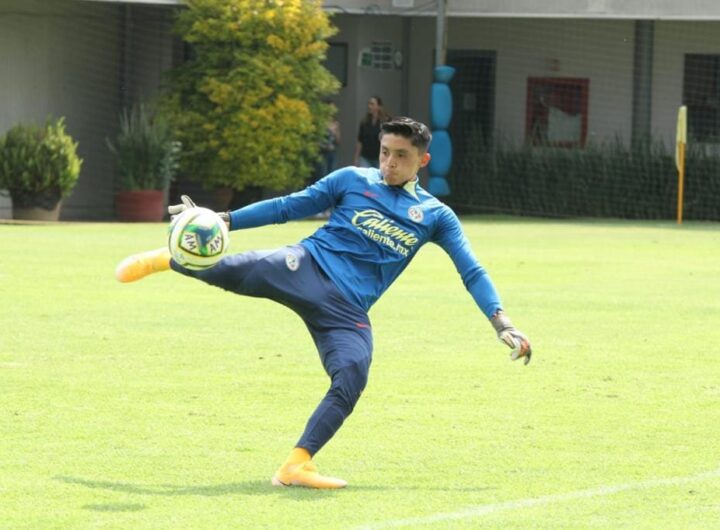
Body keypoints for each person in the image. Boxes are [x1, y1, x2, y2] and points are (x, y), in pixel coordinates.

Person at [115, 117, 532, 490]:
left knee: (353, 373)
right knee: (232, 270)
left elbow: (472, 271)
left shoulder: (437, 216)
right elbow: (287, 207)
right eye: (385, 152)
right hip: (306, 266)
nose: (389, 163)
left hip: (347, 311)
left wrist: (503, 323)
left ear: (422, 161)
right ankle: (166, 260)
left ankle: (296, 465)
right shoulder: (351, 179)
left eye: (401, 156)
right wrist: (225, 220)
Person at [353, 95, 390, 168]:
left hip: (379, 158)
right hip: (365, 157)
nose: (369, 106)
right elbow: (360, 141)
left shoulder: (386, 122)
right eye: (369, 104)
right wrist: (356, 158)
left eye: (372, 104)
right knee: (365, 174)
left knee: (379, 175)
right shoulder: (364, 122)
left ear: (379, 107)